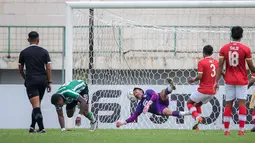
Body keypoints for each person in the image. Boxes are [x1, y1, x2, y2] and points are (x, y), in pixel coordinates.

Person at [215, 26, 255, 136]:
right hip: (241, 80)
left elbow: (220, 66)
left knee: (228, 104)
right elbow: (251, 68)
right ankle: (241, 130)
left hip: (229, 80)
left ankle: (226, 131)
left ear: (231, 35)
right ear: (241, 35)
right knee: (242, 104)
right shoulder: (245, 49)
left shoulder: (224, 48)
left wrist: (216, 81)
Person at [116, 78, 190, 128]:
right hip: (159, 108)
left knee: (162, 92)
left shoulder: (148, 92)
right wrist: (123, 123)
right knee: (169, 112)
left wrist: (148, 105)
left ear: (141, 90)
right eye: (134, 91)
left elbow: (154, 95)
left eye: (137, 89)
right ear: (133, 97)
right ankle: (189, 113)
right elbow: (134, 117)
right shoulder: (140, 105)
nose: (136, 90)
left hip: (160, 100)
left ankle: (171, 87)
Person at [18, 31, 52, 133]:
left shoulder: (24, 52)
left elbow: (20, 68)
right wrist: (49, 81)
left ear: (28, 40)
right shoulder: (44, 52)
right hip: (42, 80)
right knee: (37, 104)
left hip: (31, 80)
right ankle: (32, 127)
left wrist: (25, 78)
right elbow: (48, 67)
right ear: (38, 40)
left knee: (36, 106)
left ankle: (41, 128)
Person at [187, 45, 219, 130]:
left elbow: (200, 76)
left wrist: (193, 79)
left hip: (203, 90)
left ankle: (197, 118)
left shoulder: (202, 62)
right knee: (197, 105)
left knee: (189, 103)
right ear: (212, 53)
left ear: (203, 53)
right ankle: (197, 126)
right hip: (212, 91)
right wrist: (217, 82)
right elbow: (221, 73)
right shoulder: (216, 62)